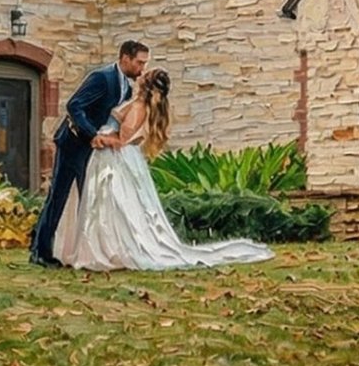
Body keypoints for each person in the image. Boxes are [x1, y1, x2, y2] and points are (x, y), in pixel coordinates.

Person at [53, 68, 273, 272]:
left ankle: (110, 249)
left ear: (145, 85)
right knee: (106, 203)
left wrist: (100, 138)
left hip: (114, 159)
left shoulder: (138, 108)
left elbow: (122, 140)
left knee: (111, 203)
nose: (139, 76)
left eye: (144, 76)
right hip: (113, 157)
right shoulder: (137, 103)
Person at [30, 40, 146, 267]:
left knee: (90, 200)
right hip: (73, 143)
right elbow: (74, 106)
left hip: (96, 152)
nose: (142, 69)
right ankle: (40, 252)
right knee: (59, 197)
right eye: (139, 63)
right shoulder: (102, 78)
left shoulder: (126, 86)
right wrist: (92, 134)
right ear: (125, 58)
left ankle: (85, 252)